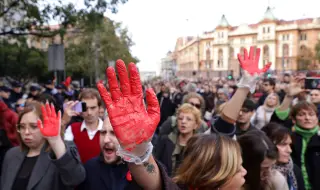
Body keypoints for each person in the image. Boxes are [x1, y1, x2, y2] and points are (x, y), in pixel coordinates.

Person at [95, 59, 248, 190]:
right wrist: (138, 152)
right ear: (218, 175)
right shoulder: (168, 138)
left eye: (189, 119)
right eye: (237, 168)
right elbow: (158, 184)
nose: (244, 172)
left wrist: (245, 86)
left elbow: (225, 123)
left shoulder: (205, 137)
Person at [0, 102, 85, 190]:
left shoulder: (60, 151)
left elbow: (75, 178)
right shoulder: (11, 154)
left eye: (33, 126)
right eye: (22, 127)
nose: (26, 132)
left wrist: (55, 141)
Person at [154, 103, 201, 176]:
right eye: (180, 118)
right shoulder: (165, 140)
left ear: (196, 125)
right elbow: (155, 163)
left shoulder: (199, 147)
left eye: (189, 119)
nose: (183, 122)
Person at [262, 123, 305, 190]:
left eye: (289, 145)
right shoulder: (261, 175)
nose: (289, 150)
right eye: (283, 144)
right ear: (268, 145)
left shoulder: (294, 170)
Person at [64, 89, 103, 163]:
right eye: (85, 108)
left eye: (93, 108)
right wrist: (63, 122)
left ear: (100, 108)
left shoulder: (109, 129)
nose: (89, 112)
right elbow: (61, 151)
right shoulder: (72, 129)